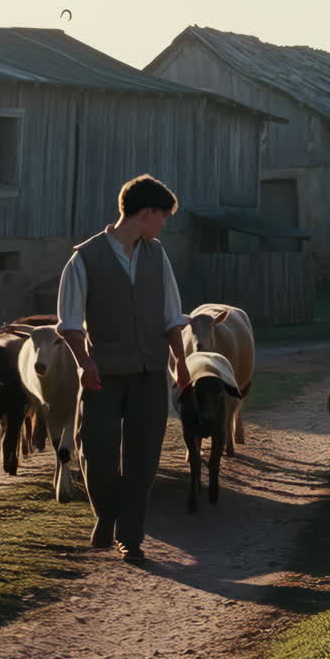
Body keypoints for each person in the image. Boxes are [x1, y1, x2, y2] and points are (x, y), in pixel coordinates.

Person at [56, 174, 192, 563]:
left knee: (143, 456)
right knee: (96, 451)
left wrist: (180, 363)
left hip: (150, 372)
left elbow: (171, 315)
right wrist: (85, 365)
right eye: (163, 216)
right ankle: (107, 513)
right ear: (146, 213)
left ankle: (130, 536)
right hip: (104, 375)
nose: (164, 224)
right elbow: (68, 323)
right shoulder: (84, 258)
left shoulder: (157, 254)